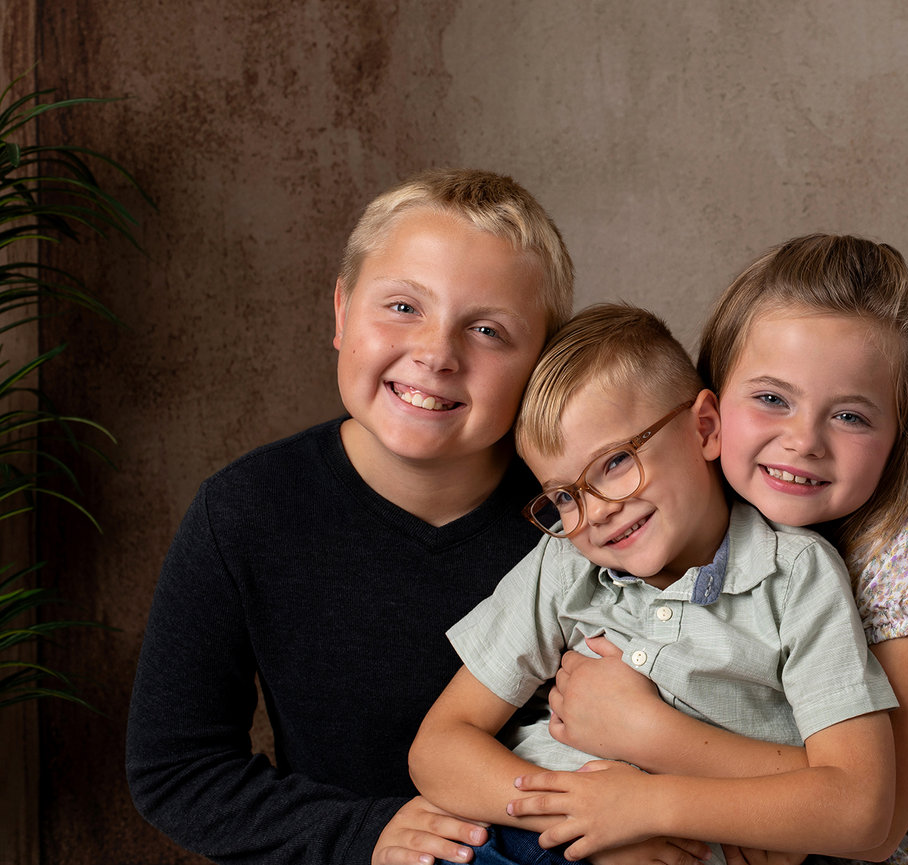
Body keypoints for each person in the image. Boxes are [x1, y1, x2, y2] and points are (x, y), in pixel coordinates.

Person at [531, 235, 908, 864]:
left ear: (904, 432)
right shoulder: (696, 508)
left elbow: (879, 819)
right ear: (710, 409)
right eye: (771, 399)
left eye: (851, 417)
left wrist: (651, 740)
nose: (803, 441)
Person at [125, 168, 574, 865]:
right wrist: (364, 834)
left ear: (542, 364)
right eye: (402, 306)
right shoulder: (245, 512)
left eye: (487, 329)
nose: (436, 354)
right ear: (340, 313)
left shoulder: (588, 520)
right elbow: (177, 768)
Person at [408, 303, 900, 865]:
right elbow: (439, 748)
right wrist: (585, 818)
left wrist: (643, 808)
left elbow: (859, 809)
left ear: (705, 428)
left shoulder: (796, 578)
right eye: (564, 496)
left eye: (614, 462)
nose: (594, 513)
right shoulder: (564, 562)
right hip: (526, 834)